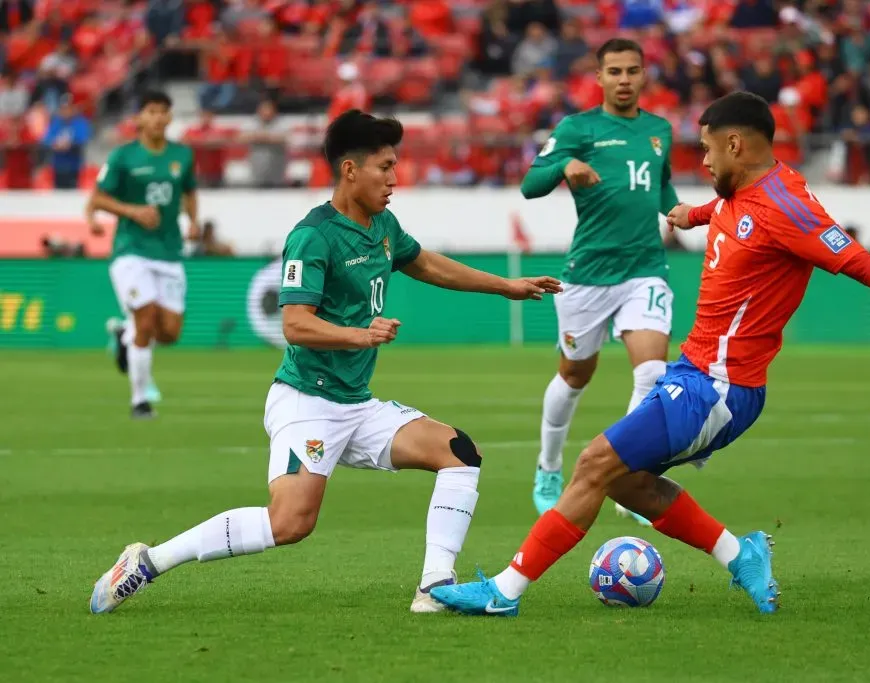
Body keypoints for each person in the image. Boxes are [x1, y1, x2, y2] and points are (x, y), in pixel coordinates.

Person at [431, 91, 870, 617]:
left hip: (718, 389)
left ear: (736, 144)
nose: (700, 161)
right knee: (626, 481)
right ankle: (739, 553)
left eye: (705, 149)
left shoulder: (788, 207)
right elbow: (732, 210)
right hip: (695, 375)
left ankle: (504, 591)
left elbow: (857, 262)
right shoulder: (742, 192)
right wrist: (694, 214)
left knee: (593, 465)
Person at [89, 109, 562, 615]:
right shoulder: (313, 235)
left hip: (356, 405)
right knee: (290, 524)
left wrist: (505, 287)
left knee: (459, 452)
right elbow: (294, 323)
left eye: (395, 166)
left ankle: (434, 586)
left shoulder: (382, 224)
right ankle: (148, 561)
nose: (394, 179)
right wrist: (360, 335)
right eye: (385, 167)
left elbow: (423, 262)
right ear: (350, 170)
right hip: (307, 401)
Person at [523, 38, 680, 526]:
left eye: (633, 71)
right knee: (575, 375)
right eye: (615, 72)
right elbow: (531, 185)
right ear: (599, 78)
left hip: (645, 269)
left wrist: (684, 212)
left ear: (644, 75)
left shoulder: (659, 131)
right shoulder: (579, 127)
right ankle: (548, 468)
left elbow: (662, 187)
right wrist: (562, 165)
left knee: (653, 373)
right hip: (588, 276)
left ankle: (630, 476)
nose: (625, 80)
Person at [86, 91, 200, 417]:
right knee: (146, 319)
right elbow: (97, 198)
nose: (158, 117)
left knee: (169, 333)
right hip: (130, 250)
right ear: (138, 118)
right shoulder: (123, 157)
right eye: (151, 111)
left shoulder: (182, 155)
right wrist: (132, 211)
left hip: (169, 252)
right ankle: (140, 400)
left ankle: (125, 335)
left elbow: (190, 192)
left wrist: (192, 221)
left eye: (164, 111)